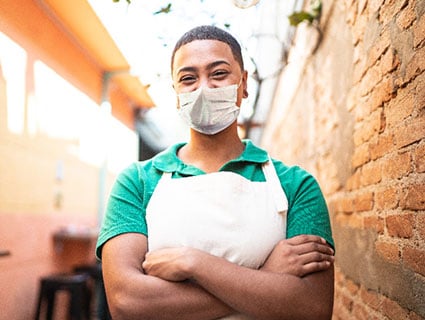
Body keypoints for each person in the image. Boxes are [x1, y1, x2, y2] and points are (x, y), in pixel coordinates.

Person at [96, 25, 335, 320]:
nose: (203, 89)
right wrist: (265, 276)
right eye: (188, 79)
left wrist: (193, 263)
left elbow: (313, 307)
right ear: (176, 93)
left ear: (243, 84)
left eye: (219, 74)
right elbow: (126, 302)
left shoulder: (297, 186)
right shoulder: (137, 182)